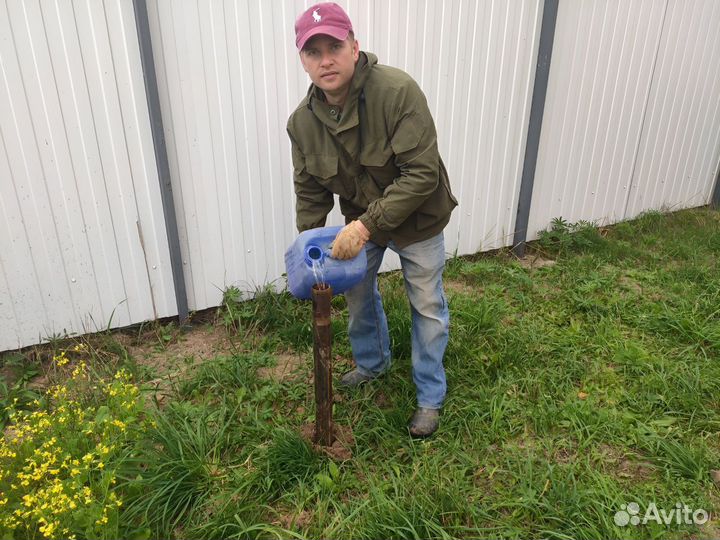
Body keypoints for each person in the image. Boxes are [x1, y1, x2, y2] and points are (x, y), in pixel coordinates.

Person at [287, 2, 457, 438]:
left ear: (355, 46)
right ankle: (372, 363)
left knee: (427, 304)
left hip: (418, 217)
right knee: (357, 294)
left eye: (334, 47)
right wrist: (310, 252)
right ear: (303, 60)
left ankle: (430, 396)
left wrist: (363, 228)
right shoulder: (302, 124)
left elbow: (421, 174)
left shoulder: (397, 91)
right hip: (360, 219)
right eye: (313, 51)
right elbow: (310, 192)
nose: (326, 60)